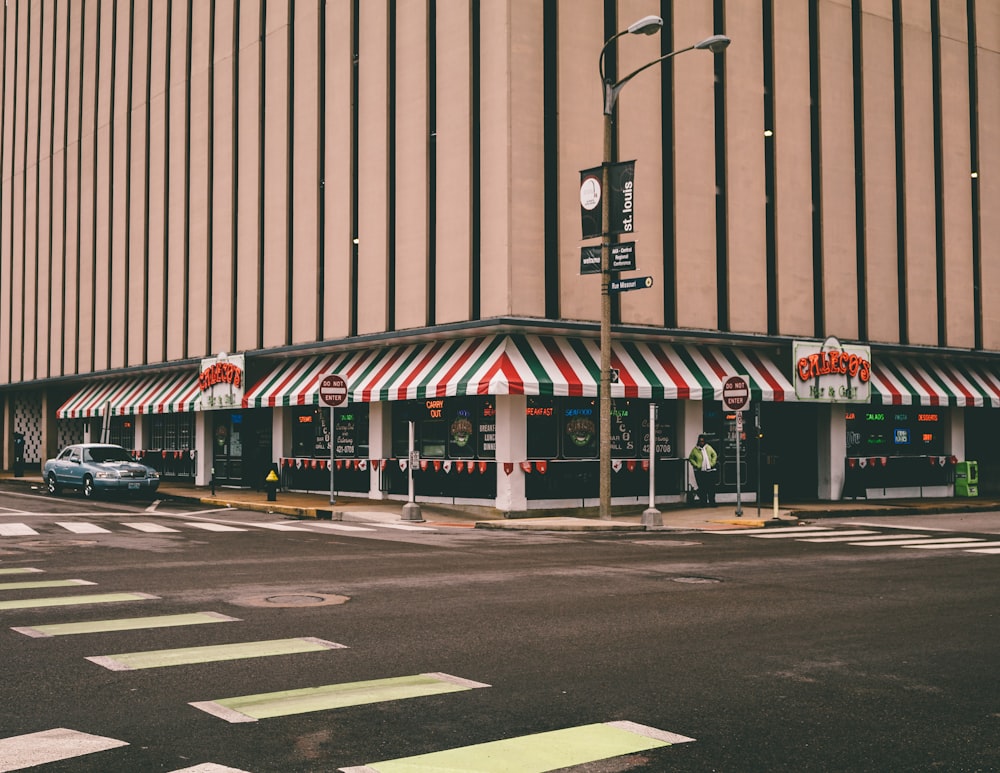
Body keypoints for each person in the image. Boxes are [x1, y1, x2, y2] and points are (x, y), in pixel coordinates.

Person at [688, 434, 718, 506]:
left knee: (711, 488)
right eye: (700, 441)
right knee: (702, 488)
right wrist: (696, 465)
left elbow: (714, 455)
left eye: (703, 441)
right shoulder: (695, 450)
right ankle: (703, 502)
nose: (701, 442)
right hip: (700, 471)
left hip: (709, 470)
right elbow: (691, 458)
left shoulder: (708, 448)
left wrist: (712, 463)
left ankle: (712, 502)